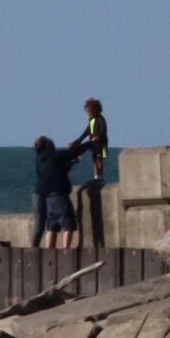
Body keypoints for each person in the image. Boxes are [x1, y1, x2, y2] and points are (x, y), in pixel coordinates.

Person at [65, 97, 110, 248]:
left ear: (94, 110)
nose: (88, 114)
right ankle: (96, 176)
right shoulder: (91, 121)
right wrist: (78, 141)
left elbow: (103, 131)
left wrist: (98, 136)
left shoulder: (101, 119)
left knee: (99, 159)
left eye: (89, 111)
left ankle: (100, 177)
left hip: (101, 143)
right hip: (93, 143)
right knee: (93, 160)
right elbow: (85, 133)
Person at [32, 135, 77, 250]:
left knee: (51, 226)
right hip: (58, 195)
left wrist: (71, 162)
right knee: (68, 224)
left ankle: (46, 249)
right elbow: (70, 153)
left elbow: (58, 170)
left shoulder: (40, 159)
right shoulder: (54, 156)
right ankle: (66, 250)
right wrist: (89, 144)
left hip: (47, 197)